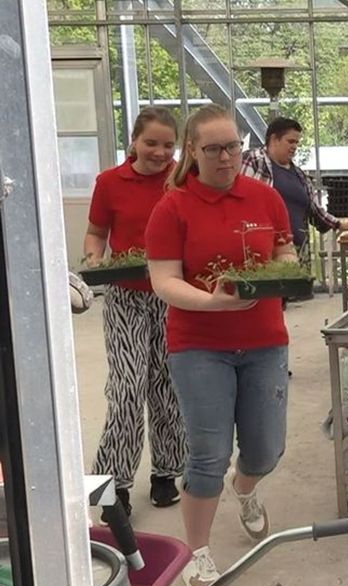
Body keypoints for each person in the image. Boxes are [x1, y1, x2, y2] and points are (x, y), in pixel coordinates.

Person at [146, 104, 296, 586]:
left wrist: (283, 268)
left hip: (264, 341)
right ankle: (198, 552)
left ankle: (246, 488)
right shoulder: (174, 207)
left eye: (233, 146)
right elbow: (164, 281)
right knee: (208, 453)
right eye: (214, 149)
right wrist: (212, 304)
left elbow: (283, 253)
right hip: (198, 345)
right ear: (192, 151)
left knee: (266, 449)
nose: (227, 157)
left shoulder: (265, 198)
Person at [85, 106, 186, 518]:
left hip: (173, 295)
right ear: (134, 141)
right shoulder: (110, 182)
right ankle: (111, 486)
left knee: (168, 386)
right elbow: (96, 234)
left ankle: (167, 473)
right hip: (126, 294)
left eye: (168, 144)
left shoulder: (183, 179)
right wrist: (93, 260)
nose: (160, 153)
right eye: (151, 143)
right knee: (126, 388)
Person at [240, 116, 348, 260]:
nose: (295, 146)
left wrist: (340, 224)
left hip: (299, 252)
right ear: (274, 139)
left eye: (296, 142)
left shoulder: (300, 175)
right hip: (266, 253)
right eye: (290, 141)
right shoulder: (254, 160)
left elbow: (315, 211)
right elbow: (240, 198)